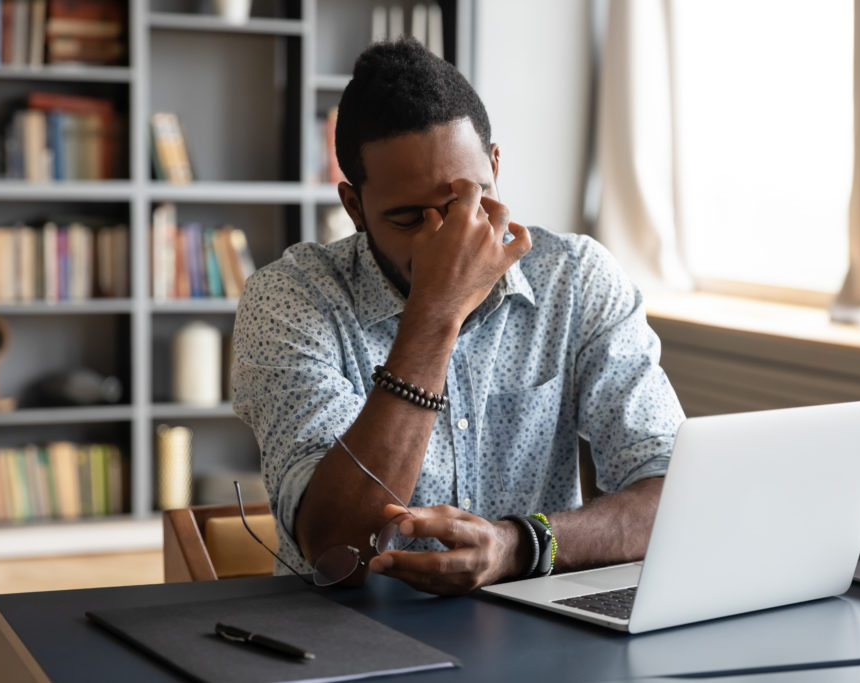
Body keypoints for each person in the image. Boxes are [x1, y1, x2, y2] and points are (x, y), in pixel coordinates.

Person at [232, 37, 685, 596]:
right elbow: (336, 548)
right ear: (355, 208)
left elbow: (673, 494)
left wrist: (520, 545)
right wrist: (435, 312)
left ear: (494, 166)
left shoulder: (575, 278)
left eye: (468, 203)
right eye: (407, 219)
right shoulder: (290, 298)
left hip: (535, 630)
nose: (449, 239)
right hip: (347, 635)